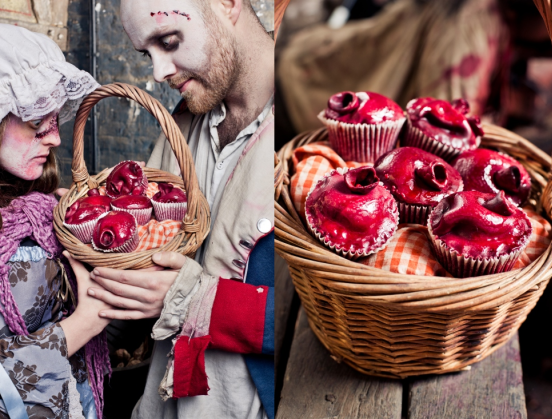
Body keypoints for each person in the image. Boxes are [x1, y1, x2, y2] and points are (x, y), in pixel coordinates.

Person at [81, 0, 275, 418]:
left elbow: (333, 322)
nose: (158, 72)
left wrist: (196, 300)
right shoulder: (185, 121)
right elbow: (141, 274)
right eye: (146, 53)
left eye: (169, 41)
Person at [0, 24, 113, 419]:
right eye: (36, 125)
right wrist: (82, 326)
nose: (55, 140)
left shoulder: (42, 207)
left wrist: (92, 242)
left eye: (54, 121)